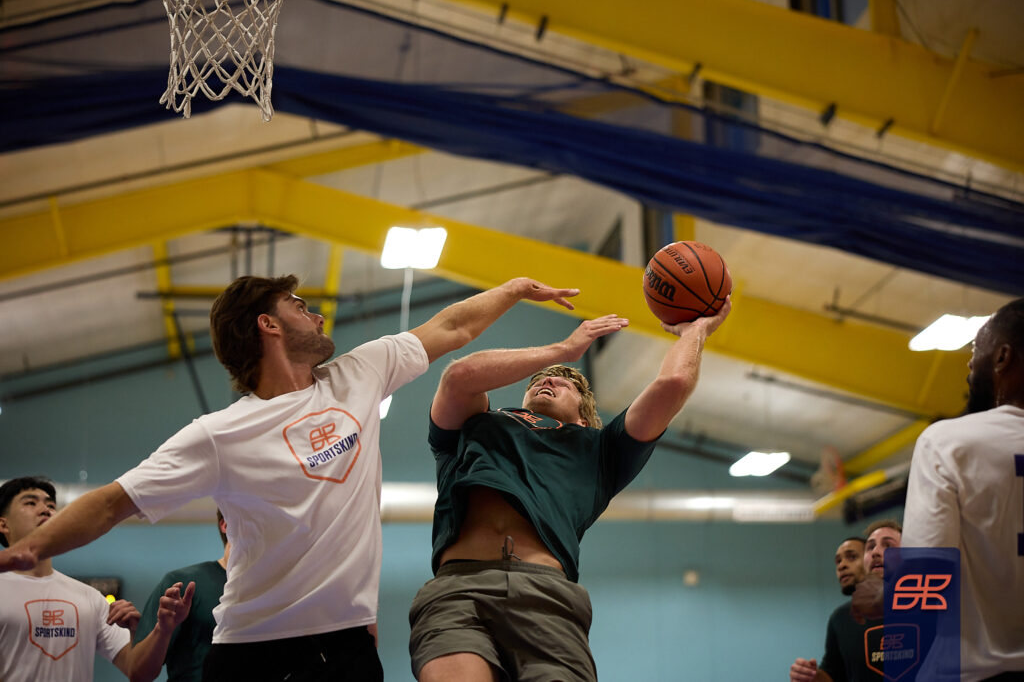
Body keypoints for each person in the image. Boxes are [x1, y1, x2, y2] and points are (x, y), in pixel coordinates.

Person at [0, 274, 579, 682]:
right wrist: (27, 551)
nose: (317, 313)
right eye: (300, 305)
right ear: (268, 324)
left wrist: (513, 290)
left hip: (346, 646)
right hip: (251, 650)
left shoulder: (359, 373)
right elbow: (111, 502)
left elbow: (451, 327)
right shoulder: (219, 434)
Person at [409, 298, 731, 682]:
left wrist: (696, 330)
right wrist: (563, 350)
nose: (548, 380)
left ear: (584, 417)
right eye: (539, 380)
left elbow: (673, 384)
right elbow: (459, 376)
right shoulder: (477, 424)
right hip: (458, 589)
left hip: (545, 596)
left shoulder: (601, 450)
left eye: (565, 383)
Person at [901, 297, 1024, 681]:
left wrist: (884, 595)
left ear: (1002, 357)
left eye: (975, 350)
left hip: (974, 671)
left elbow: (924, 569)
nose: (970, 364)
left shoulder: (947, 442)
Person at [0, 476, 190, 682]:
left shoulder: (89, 597)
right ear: (3, 524)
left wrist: (161, 630)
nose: (46, 510)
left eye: (51, 505)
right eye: (30, 503)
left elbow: (139, 672)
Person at [789, 520, 901, 682]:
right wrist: (811, 676)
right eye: (838, 561)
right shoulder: (840, 618)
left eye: (852, 557)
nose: (841, 566)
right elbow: (833, 675)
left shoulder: (927, 607)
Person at [129, 510, 231, 682]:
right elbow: (139, 674)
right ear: (226, 525)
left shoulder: (270, 590)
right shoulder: (182, 583)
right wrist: (163, 630)